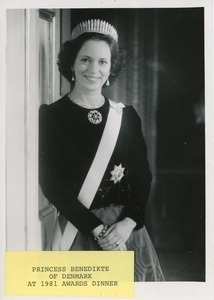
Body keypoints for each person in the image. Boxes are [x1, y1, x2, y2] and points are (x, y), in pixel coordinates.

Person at [39, 19, 164, 281]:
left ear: (111, 68)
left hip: (124, 231)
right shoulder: (52, 116)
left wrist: (129, 222)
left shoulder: (126, 116)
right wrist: (97, 230)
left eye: (102, 62)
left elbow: (142, 176)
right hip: (79, 230)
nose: (93, 69)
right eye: (85, 59)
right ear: (72, 63)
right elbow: (51, 184)